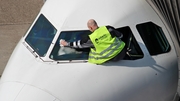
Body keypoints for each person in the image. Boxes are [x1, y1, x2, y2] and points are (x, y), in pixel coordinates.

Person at [60, 19, 126, 64]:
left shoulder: (91, 38)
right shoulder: (108, 28)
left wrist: (67, 43)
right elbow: (120, 36)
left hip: (112, 58)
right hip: (122, 52)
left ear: (90, 28)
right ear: (96, 24)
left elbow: (78, 44)